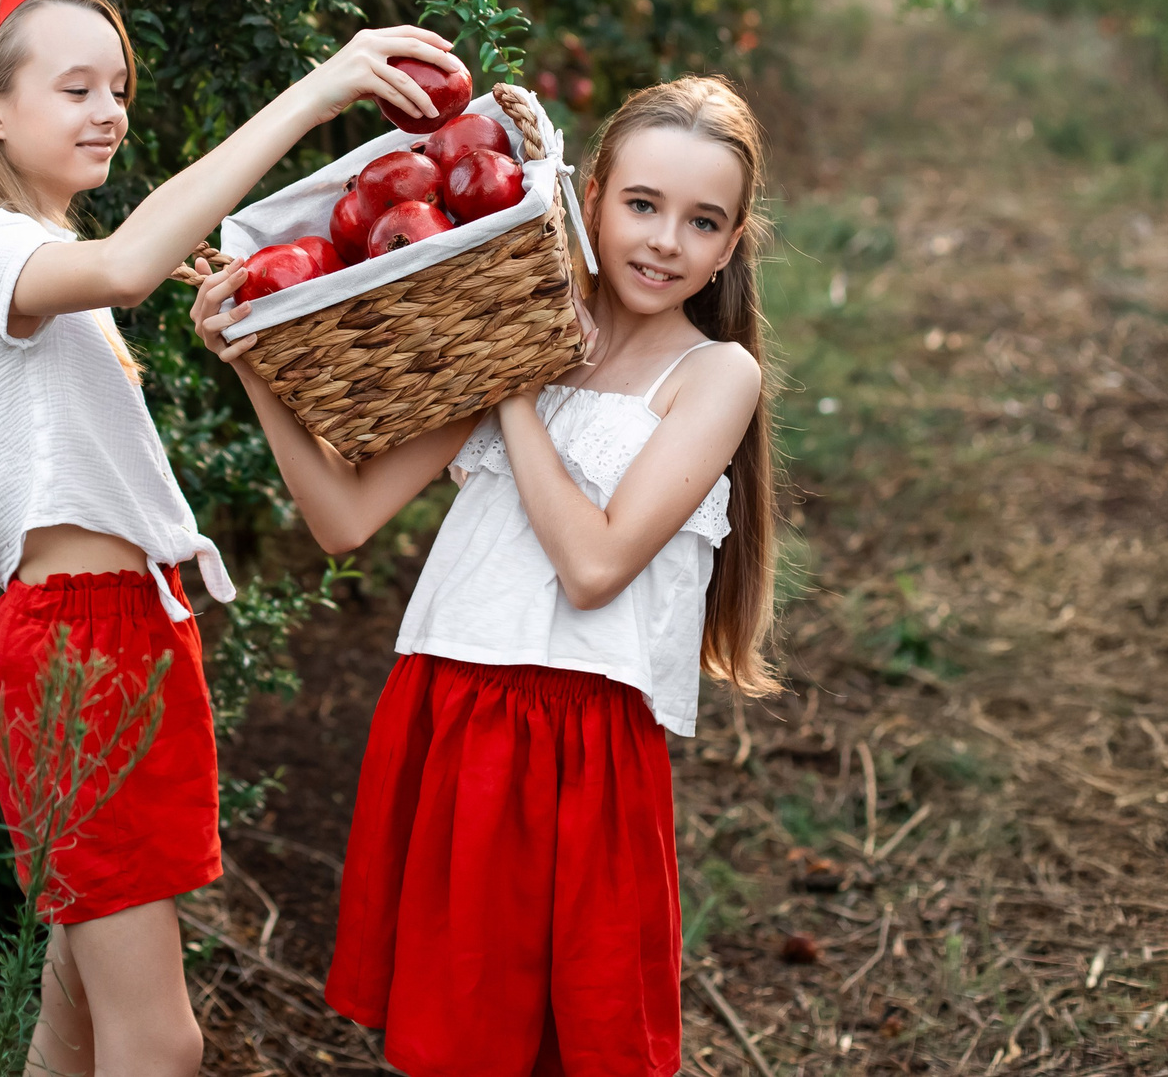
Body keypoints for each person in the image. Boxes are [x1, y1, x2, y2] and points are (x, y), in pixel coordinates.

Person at [0, 0, 464, 1077]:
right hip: (79, 650)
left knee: (78, 1013)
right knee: (160, 1040)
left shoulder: (34, 267)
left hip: (124, 634)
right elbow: (127, 264)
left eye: (116, 85)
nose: (107, 109)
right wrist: (318, 90)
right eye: (74, 86)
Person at [193, 74, 779, 1077]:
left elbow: (594, 565)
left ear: (729, 245)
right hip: (450, 711)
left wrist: (514, 383)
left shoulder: (713, 376)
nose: (662, 239)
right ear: (588, 195)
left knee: (568, 1040)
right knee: (455, 1033)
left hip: (577, 742)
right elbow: (344, 516)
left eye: (701, 221)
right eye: (641, 203)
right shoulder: (503, 326)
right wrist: (252, 362)